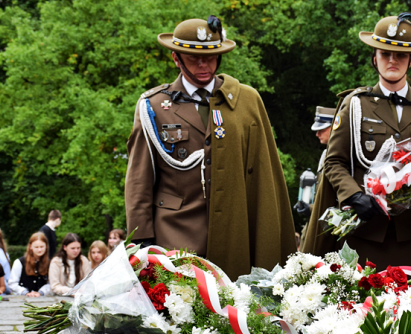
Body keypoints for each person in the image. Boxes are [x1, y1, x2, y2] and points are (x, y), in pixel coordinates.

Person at [125, 15, 296, 280]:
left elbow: (266, 172)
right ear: (176, 58)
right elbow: (139, 180)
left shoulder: (246, 100)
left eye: (212, 56)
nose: (204, 64)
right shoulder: (154, 106)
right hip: (175, 237)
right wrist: (142, 240)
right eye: (194, 58)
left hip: (236, 233)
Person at [302, 13, 411, 290]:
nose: (392, 60)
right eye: (385, 53)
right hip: (364, 236)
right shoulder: (356, 105)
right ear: (375, 57)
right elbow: (335, 162)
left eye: (400, 54)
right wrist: (353, 195)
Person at [294, 106, 335, 219]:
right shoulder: (326, 153)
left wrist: (311, 209)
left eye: (322, 129)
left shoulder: (343, 155)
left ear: (334, 127)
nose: (317, 134)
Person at [9, 232, 51, 297]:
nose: (39, 249)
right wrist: (24, 292)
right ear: (30, 246)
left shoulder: (50, 263)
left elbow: (51, 284)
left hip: (42, 298)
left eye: (42, 246)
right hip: (22, 299)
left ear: (46, 246)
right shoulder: (19, 262)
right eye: (36, 247)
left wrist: (41, 292)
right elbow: (12, 283)